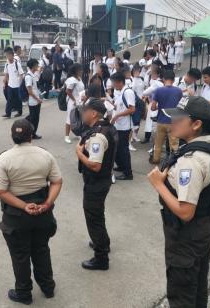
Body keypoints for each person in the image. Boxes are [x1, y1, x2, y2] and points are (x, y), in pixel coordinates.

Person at [147, 96, 210, 308]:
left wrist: (158, 184)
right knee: (198, 287)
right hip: (206, 225)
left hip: (187, 235)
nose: (172, 123)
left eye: (178, 119)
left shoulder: (191, 162)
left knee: (181, 294)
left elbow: (185, 212)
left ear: (196, 124)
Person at [0, 119, 63, 305]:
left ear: (12, 136)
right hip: (42, 212)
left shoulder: (4, 159)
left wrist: (23, 206)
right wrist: (47, 203)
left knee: (20, 255)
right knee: (41, 249)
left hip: (16, 216)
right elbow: (57, 181)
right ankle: (48, 287)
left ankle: (24, 293)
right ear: (31, 135)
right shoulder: (45, 155)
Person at [75, 98, 117, 270]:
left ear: (93, 113)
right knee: (97, 214)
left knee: (94, 218)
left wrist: (79, 153)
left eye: (84, 111)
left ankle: (101, 258)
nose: (82, 114)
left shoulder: (98, 136)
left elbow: (95, 165)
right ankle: (103, 242)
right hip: (102, 180)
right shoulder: (106, 127)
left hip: (96, 182)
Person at [150, 70, 183, 165]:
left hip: (161, 121)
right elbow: (180, 105)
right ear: (173, 80)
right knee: (174, 144)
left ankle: (156, 160)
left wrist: (158, 106)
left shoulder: (158, 91)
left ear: (163, 79)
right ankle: (175, 162)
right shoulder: (178, 91)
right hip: (174, 122)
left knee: (158, 143)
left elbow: (152, 107)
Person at [110, 72, 135, 180]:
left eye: (113, 83)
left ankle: (128, 173)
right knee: (119, 149)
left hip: (125, 126)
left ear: (119, 82)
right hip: (119, 125)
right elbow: (120, 106)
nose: (113, 85)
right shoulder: (121, 92)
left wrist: (117, 115)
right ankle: (121, 167)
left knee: (123, 149)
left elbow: (132, 109)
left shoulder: (128, 92)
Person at [64, 63, 85, 144]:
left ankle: (78, 133)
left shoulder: (79, 78)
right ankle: (66, 136)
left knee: (79, 118)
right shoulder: (72, 80)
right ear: (76, 71)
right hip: (73, 102)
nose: (82, 71)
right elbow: (68, 91)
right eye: (80, 70)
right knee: (70, 118)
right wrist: (74, 100)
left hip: (80, 100)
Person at [3, 47, 24, 118]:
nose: (7, 57)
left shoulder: (17, 64)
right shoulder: (6, 64)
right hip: (10, 85)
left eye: (8, 55)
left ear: (12, 55)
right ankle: (8, 113)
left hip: (17, 85)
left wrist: (20, 83)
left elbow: (21, 74)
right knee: (9, 99)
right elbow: (6, 74)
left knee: (18, 99)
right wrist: (4, 83)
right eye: (6, 56)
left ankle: (20, 112)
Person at [25, 59, 43, 139]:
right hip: (33, 101)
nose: (38, 67)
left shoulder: (33, 75)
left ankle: (32, 133)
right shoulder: (28, 77)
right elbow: (30, 91)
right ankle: (31, 133)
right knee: (34, 119)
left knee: (35, 117)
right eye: (37, 65)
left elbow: (35, 89)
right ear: (33, 66)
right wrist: (37, 99)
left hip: (36, 99)